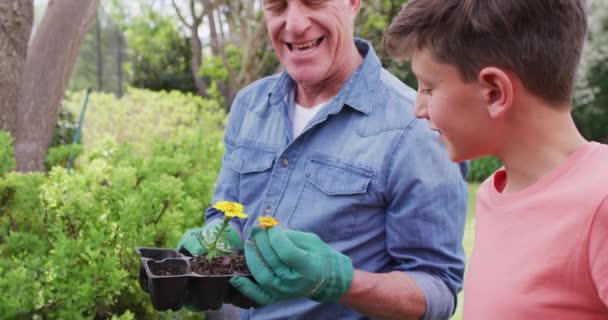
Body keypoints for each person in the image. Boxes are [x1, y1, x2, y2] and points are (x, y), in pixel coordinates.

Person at [178, 0, 469, 319]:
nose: (294, 23)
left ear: (354, 3)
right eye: (277, 7)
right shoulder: (250, 104)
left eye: (313, 2)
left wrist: (343, 284)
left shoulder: (416, 128)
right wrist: (215, 243)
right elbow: (226, 211)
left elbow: (437, 290)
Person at [383, 0, 608, 319]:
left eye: (429, 88)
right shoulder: (493, 193)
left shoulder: (601, 203)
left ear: (494, 93)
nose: (418, 108)